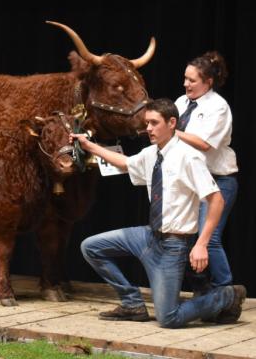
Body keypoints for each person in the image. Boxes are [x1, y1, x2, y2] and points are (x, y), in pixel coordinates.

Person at [71, 98, 246, 328]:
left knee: (168, 318)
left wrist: (202, 243)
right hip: (148, 236)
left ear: (172, 122)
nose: (148, 129)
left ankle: (226, 296)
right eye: (147, 123)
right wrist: (89, 146)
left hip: (173, 246)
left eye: (154, 123)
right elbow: (125, 163)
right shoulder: (151, 153)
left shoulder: (189, 156)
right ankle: (132, 302)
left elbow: (216, 200)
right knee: (91, 247)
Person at [175, 51, 237, 295]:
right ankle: (204, 291)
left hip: (218, 181)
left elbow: (204, 143)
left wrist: (170, 131)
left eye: (192, 80)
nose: (186, 84)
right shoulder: (181, 103)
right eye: (185, 78)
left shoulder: (218, 107)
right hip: (191, 181)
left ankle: (226, 290)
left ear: (208, 82)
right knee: (188, 239)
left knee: (208, 239)